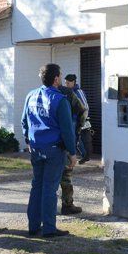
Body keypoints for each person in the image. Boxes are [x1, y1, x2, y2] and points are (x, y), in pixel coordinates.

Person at [22, 63, 77, 238]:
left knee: (36, 186)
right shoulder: (60, 100)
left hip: (36, 148)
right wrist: (72, 152)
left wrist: (28, 140)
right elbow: (67, 129)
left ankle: (33, 226)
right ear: (55, 79)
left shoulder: (31, 95)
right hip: (54, 150)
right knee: (49, 189)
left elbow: (24, 121)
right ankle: (49, 228)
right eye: (59, 76)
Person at [57, 78, 87, 216]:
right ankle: (67, 204)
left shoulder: (38, 94)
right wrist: (77, 129)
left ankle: (44, 208)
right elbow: (83, 110)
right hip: (65, 140)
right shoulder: (67, 93)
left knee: (46, 178)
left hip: (47, 142)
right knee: (66, 175)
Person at [64, 74, 92, 164]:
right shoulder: (67, 92)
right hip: (70, 118)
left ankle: (81, 156)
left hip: (76, 119)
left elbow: (85, 107)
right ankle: (84, 155)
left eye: (68, 83)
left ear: (73, 82)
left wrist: (83, 119)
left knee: (75, 138)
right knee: (75, 138)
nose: (66, 84)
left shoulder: (78, 92)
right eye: (65, 83)